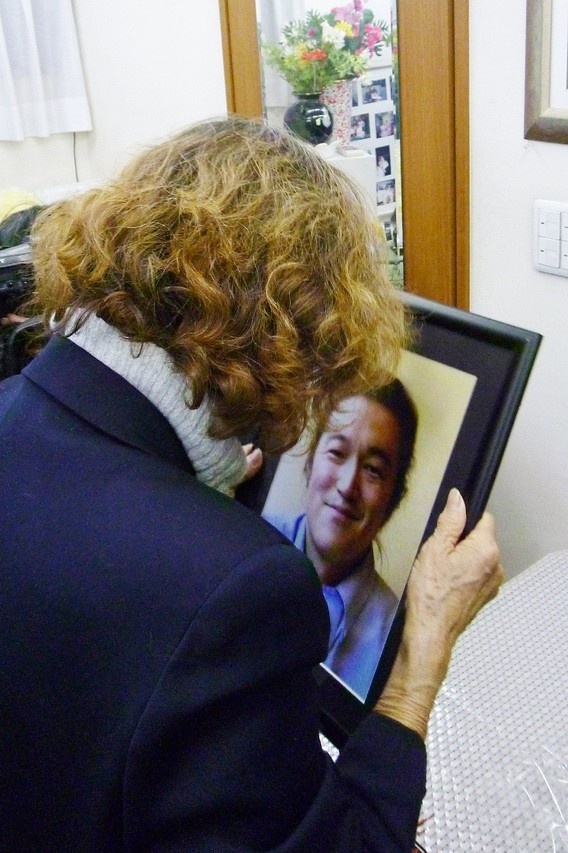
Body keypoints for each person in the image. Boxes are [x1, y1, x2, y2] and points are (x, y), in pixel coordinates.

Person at [0, 117, 502, 852]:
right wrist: (418, 664)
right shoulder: (242, 589)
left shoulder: (17, 404)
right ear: (295, 339)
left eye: (376, 465)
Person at [265, 381, 418, 699]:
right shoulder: (245, 534)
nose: (349, 486)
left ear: (394, 499)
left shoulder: (395, 641)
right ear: (311, 460)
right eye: (337, 452)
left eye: (373, 470)